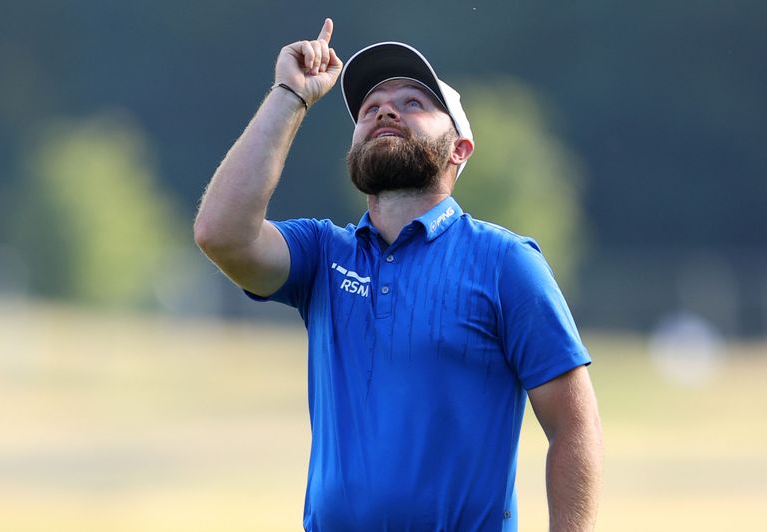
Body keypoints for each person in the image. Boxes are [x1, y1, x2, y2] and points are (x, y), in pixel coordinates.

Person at [194, 18, 602, 532]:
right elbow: (221, 233)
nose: (386, 108)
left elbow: (573, 426)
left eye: (414, 102)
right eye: (369, 109)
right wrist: (289, 95)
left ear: (459, 149)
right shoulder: (324, 253)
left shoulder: (506, 263)